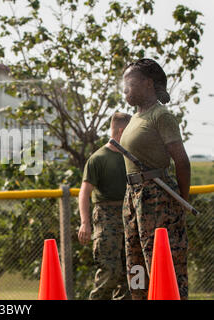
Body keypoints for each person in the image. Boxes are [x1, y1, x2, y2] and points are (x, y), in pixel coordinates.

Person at [120, 58, 190, 299]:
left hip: (157, 197)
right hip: (134, 196)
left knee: (163, 262)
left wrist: (181, 201)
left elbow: (181, 161)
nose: (125, 87)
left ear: (148, 84)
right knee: (136, 263)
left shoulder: (160, 116)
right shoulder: (135, 118)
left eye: (130, 81)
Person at [78, 112, 132, 300]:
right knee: (110, 271)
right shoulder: (99, 158)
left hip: (130, 216)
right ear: (122, 130)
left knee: (132, 274)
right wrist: (85, 223)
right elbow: (84, 193)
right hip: (107, 217)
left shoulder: (132, 158)